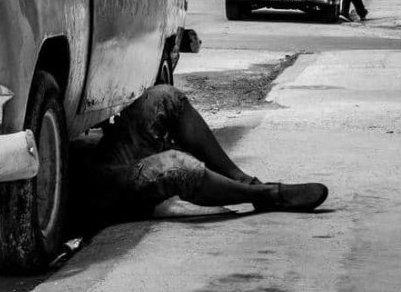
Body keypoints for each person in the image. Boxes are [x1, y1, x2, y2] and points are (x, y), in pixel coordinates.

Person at [81, 85, 328, 214]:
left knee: (165, 96)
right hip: (88, 191)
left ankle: (244, 179)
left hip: (96, 158)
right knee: (176, 165)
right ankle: (264, 195)